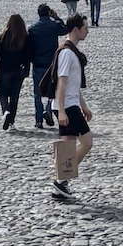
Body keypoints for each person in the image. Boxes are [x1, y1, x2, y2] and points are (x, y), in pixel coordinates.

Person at [50, 13, 92, 202]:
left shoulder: (71, 51)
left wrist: (84, 105)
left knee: (68, 146)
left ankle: (60, 186)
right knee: (87, 142)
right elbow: (62, 83)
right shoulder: (67, 53)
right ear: (76, 29)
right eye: (85, 28)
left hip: (71, 103)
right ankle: (61, 179)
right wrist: (61, 111)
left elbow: (74, 85)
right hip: (67, 105)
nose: (87, 31)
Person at [0, 12, 33, 131]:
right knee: (14, 96)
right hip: (18, 70)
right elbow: (28, 55)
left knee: (3, 93)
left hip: (5, 69)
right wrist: (26, 68)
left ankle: (6, 111)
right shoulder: (25, 37)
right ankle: (12, 121)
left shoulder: (3, 36)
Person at [29, 3, 64, 129]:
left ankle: (38, 119)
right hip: (51, 63)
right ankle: (48, 109)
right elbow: (65, 29)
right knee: (53, 90)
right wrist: (56, 17)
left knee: (37, 92)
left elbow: (29, 47)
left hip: (38, 63)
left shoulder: (33, 28)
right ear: (49, 13)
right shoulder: (54, 25)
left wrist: (31, 60)